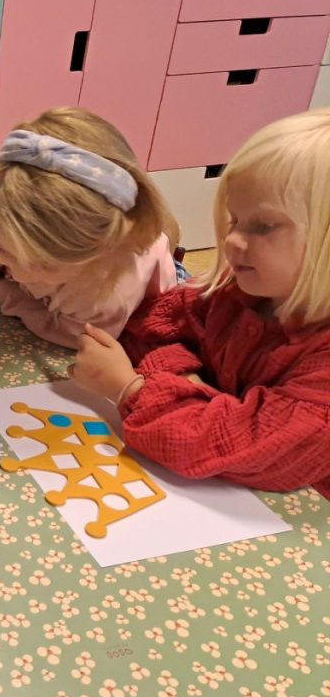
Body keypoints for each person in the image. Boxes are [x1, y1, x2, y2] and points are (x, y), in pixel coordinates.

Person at [72, 108, 330, 498]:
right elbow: (148, 328)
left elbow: (225, 447)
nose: (232, 241)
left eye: (263, 226)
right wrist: (185, 380)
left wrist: (129, 388)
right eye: (234, 220)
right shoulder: (236, 289)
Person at [0, 107, 180, 450]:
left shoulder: (112, 281)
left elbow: (70, 336)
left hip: (130, 326)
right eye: (1, 245)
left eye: (37, 263)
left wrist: (8, 296)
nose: (7, 262)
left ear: (95, 256)